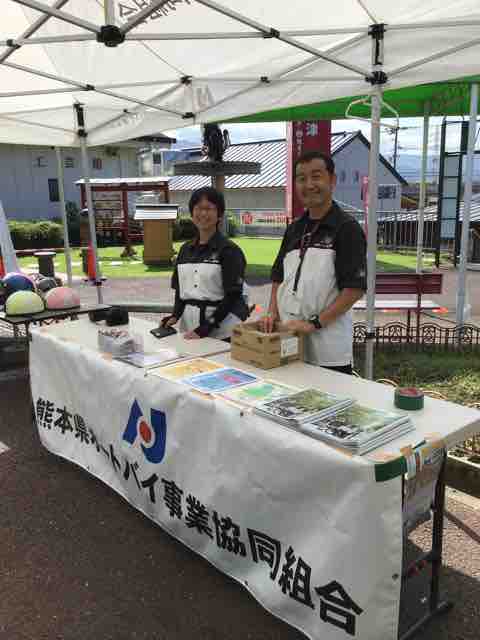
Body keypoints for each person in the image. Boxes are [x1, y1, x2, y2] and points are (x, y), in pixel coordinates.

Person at [262, 150, 367, 374]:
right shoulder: (294, 229)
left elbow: (354, 289)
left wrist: (313, 324)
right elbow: (278, 275)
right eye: (301, 178)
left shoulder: (347, 228)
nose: (309, 185)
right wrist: (272, 312)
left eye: (316, 176)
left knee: (325, 396)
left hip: (328, 350)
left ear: (332, 180)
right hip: (288, 339)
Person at [162, 186, 249, 341]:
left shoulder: (229, 251)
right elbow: (181, 290)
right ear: (192, 212)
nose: (203, 213)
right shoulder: (185, 250)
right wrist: (175, 315)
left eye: (209, 208)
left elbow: (232, 296)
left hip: (223, 330)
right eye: (198, 208)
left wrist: (205, 328)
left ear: (219, 214)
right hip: (190, 329)